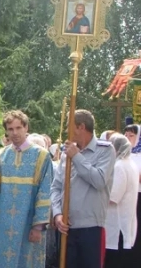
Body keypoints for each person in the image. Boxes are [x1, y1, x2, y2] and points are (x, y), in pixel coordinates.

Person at [0, 110, 53, 268]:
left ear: (26, 128)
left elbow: (45, 192)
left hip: (27, 224)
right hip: (1, 225)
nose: (15, 133)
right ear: (6, 131)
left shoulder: (41, 156)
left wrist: (38, 226)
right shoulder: (1, 154)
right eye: (10, 129)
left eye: (18, 128)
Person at [50, 109, 116, 268]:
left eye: (68, 126)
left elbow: (99, 181)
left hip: (91, 228)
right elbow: (56, 187)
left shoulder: (105, 150)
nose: (66, 130)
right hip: (66, 228)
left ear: (80, 127)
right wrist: (57, 213)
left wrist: (77, 157)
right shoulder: (67, 154)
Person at [104, 134, 138, 268]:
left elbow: (113, 197)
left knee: (114, 261)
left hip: (116, 225)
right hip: (124, 221)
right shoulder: (130, 164)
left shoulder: (120, 167)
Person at [124, 123, 141, 263]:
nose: (128, 138)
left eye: (132, 135)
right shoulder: (124, 154)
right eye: (126, 135)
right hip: (127, 197)